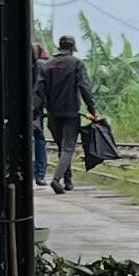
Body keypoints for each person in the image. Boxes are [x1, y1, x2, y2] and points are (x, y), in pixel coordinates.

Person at [41, 36, 99, 195]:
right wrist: (92, 110)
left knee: (62, 147)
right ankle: (56, 179)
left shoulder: (47, 65)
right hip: (71, 112)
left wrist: (38, 111)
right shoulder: (76, 64)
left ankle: (68, 180)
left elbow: (39, 90)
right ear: (72, 48)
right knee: (67, 148)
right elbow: (85, 88)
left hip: (53, 113)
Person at [31, 44, 49, 187]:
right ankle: (39, 174)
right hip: (35, 110)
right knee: (39, 140)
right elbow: (41, 89)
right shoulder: (41, 66)